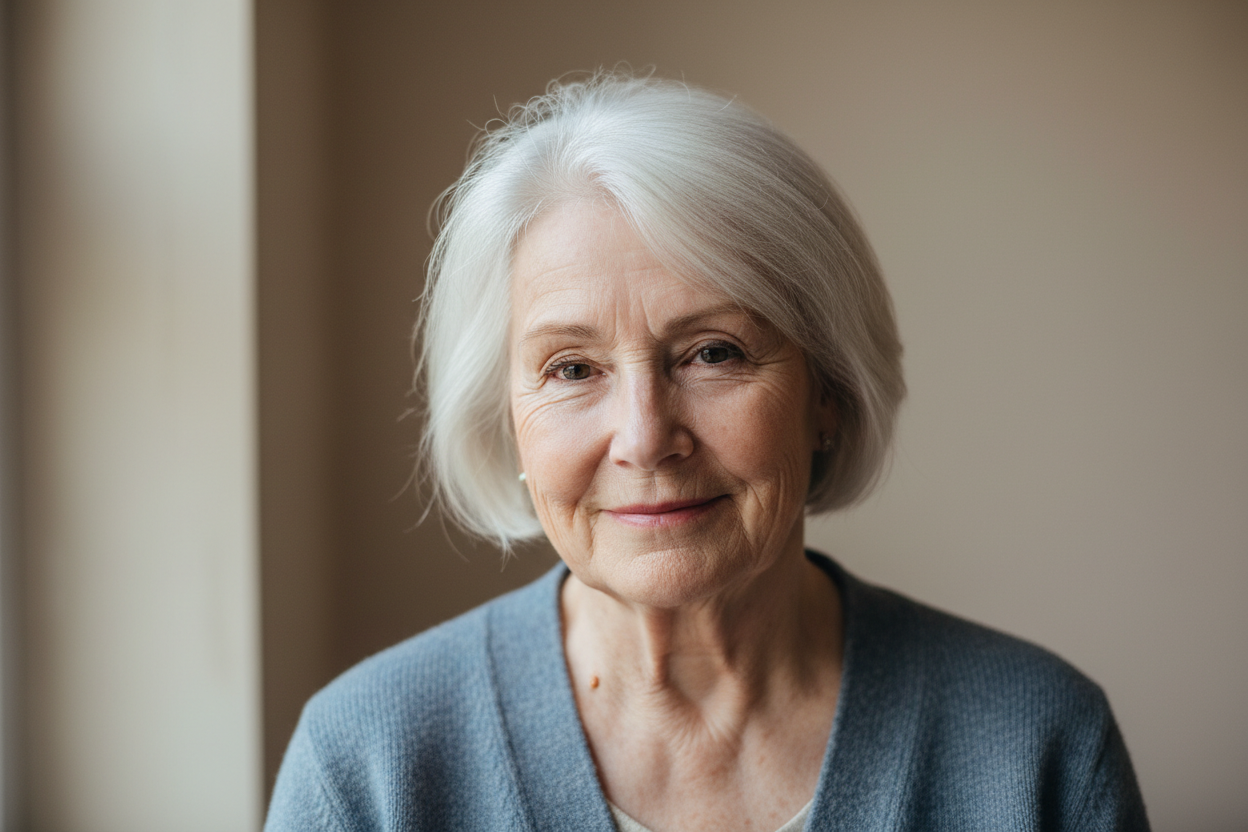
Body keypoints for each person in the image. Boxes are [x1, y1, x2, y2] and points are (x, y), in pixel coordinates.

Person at [265, 72, 1149, 831]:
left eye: (713, 353)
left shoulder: (1037, 746)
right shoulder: (368, 763)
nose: (646, 437)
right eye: (571, 368)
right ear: (508, 420)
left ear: (827, 392)